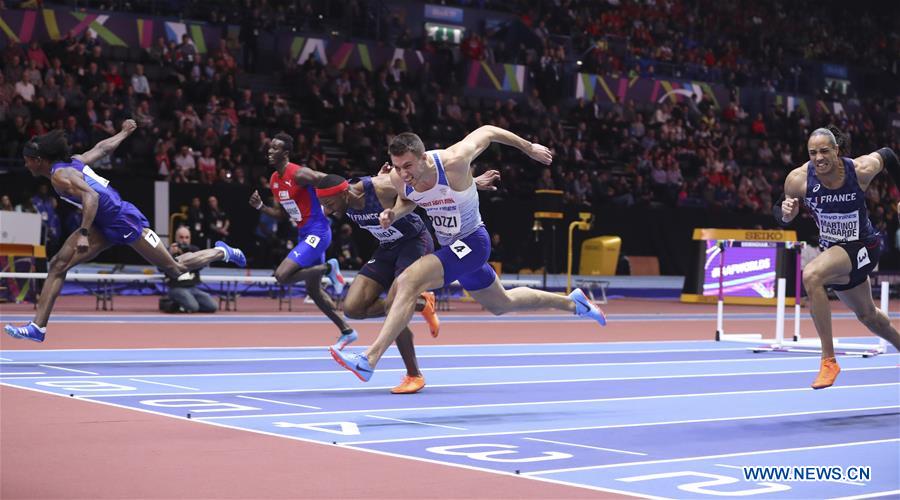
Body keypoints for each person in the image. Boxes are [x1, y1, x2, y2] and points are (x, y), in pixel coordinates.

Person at [329, 127, 607, 381]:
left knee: (407, 282)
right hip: (451, 247)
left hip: (473, 242)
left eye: (408, 166)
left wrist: (528, 147)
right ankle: (574, 303)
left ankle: (369, 359)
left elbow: (488, 131)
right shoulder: (398, 178)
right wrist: (394, 212)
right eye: (399, 167)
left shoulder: (454, 160)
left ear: (423, 157)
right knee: (502, 303)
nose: (403, 174)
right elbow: (407, 200)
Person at [5, 122, 246, 342]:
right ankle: (38, 327)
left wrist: (84, 233)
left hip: (122, 220)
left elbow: (92, 196)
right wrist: (124, 133)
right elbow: (101, 149)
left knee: (175, 268)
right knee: (58, 264)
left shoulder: (59, 176)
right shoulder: (72, 162)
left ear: (38, 160)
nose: (26, 165)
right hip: (103, 224)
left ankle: (220, 252)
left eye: (27, 160)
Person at [316, 166, 501, 393]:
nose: (327, 211)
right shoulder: (341, 198)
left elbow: (428, 186)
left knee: (395, 303)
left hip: (414, 241)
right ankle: (421, 303)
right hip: (387, 248)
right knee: (353, 308)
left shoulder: (379, 187)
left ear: (344, 193)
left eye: (330, 204)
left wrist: (473, 182)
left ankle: (414, 375)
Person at [780, 127, 900, 389]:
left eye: (825, 151)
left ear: (836, 150)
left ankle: (829, 361)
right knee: (868, 316)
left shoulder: (859, 170)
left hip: (863, 246)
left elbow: (889, 155)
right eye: (813, 153)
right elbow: (784, 213)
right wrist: (786, 212)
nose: (819, 157)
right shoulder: (798, 180)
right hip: (835, 252)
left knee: (812, 275)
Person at [249, 132, 354, 348]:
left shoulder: (299, 174)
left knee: (282, 275)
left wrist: (337, 201)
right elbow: (281, 214)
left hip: (318, 232)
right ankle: (347, 330)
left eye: (275, 148)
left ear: (285, 153)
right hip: (304, 234)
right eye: (269, 147)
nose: (270, 151)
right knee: (314, 291)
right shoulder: (274, 180)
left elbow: (328, 180)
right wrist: (261, 207)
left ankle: (328, 269)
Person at [165, 226, 217, 313]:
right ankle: (169, 303)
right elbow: (160, 268)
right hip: (176, 287)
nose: (184, 240)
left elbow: (202, 266)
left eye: (186, 237)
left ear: (190, 239)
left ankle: (182, 306)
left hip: (192, 288)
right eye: (181, 237)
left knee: (212, 306)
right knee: (193, 307)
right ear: (176, 238)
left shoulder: (194, 250)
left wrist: (191, 258)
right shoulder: (168, 251)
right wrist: (170, 255)